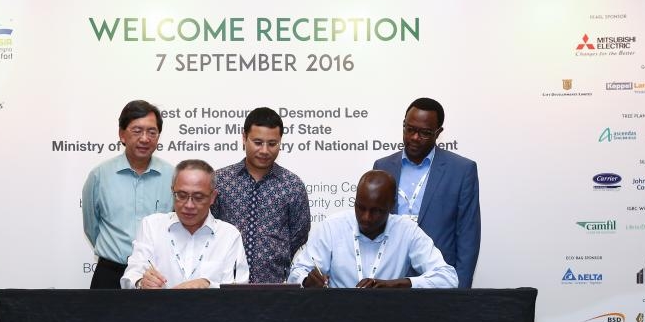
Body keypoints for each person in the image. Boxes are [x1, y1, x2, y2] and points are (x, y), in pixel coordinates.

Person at [373, 97, 481, 288]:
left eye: (424, 133)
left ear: (438, 132)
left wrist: (461, 291)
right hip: (388, 278)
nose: (415, 137)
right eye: (410, 129)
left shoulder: (462, 170)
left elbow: (468, 235)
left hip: (437, 280)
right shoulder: (382, 166)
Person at [288, 171, 457, 289]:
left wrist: (398, 284)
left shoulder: (407, 231)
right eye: (360, 208)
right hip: (337, 319)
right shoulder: (332, 227)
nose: (366, 217)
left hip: (388, 321)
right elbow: (297, 272)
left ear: (392, 206)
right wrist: (306, 281)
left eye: (376, 211)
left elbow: (448, 278)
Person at [82, 100, 175, 288]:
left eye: (152, 132)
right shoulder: (100, 175)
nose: (145, 138)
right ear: (122, 134)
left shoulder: (173, 176)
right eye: (137, 130)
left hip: (156, 278)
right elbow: (92, 227)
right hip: (110, 274)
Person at [212, 107, 310, 283]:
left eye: (272, 144)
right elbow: (210, 229)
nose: (265, 150)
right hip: (225, 284)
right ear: (244, 138)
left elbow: (299, 235)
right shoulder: (220, 181)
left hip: (275, 287)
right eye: (257, 142)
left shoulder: (292, 185)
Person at [121, 160, 249, 289]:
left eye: (198, 197)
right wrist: (141, 282)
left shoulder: (229, 235)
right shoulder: (152, 226)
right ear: (172, 191)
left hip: (212, 309)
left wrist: (209, 285)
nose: (189, 205)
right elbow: (131, 275)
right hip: (158, 307)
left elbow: (239, 287)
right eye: (181, 196)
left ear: (212, 197)